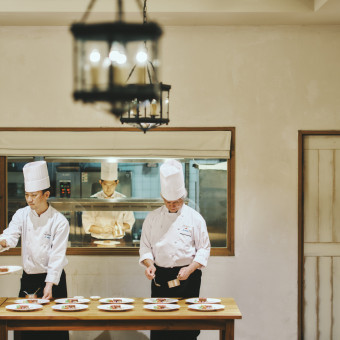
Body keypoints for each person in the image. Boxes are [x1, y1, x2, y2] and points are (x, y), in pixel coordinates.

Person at [139, 159, 211, 340]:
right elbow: (145, 247)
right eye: (169, 201)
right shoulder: (152, 218)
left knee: (187, 327)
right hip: (161, 277)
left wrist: (190, 268)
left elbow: (204, 249)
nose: (173, 205)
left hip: (188, 278)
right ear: (163, 198)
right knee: (160, 324)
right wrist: (150, 265)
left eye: (177, 201)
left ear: (183, 197)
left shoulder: (195, 218)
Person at [0, 160, 69, 340]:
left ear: (46, 194)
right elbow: (11, 236)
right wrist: (2, 242)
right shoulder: (21, 214)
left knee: (54, 330)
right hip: (29, 280)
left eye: (34, 195)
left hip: (53, 280)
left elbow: (57, 256)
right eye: (27, 195)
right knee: (25, 329)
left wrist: (49, 284)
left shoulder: (59, 221)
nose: (29, 199)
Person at [82, 162, 135, 239]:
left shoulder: (123, 199)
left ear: (117, 183)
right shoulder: (93, 200)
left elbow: (129, 222)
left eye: (112, 185)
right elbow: (87, 224)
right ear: (100, 182)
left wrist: (120, 227)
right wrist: (101, 230)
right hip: (97, 240)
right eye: (105, 185)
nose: (108, 188)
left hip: (118, 240)